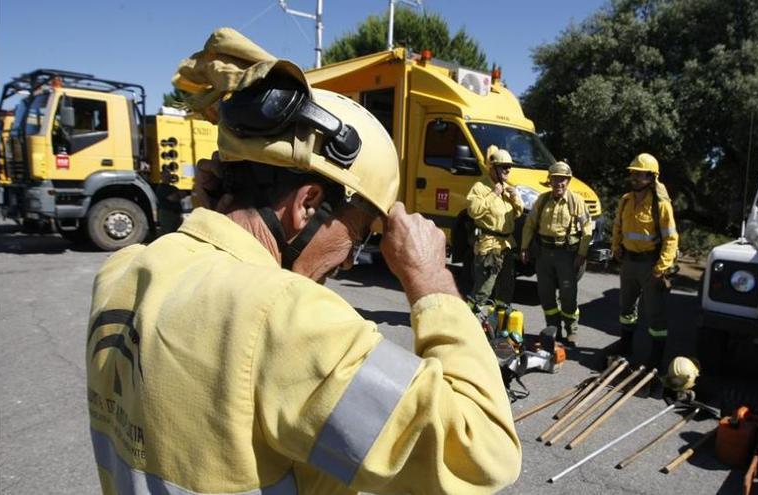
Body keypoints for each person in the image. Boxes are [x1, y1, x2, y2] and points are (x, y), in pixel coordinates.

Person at [85, 28, 521, 495]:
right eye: (356, 236)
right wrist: (430, 278)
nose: (350, 262)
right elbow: (483, 454)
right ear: (309, 203)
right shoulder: (285, 317)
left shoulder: (126, 270)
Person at [607, 153, 678, 378]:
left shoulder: (661, 205)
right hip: (629, 262)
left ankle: (656, 356)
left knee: (655, 314)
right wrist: (616, 247)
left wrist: (661, 267)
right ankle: (626, 346)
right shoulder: (626, 200)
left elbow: (671, 238)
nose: (635, 177)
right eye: (633, 173)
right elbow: (618, 225)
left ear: (651, 177)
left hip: (651, 264)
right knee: (626, 308)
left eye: (640, 174)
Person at [520, 161, 593, 345]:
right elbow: (529, 225)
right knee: (545, 294)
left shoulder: (576, 202)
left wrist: (582, 254)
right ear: (550, 181)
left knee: (568, 295)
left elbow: (587, 229)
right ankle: (553, 329)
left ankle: (571, 330)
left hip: (567, 256)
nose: (559, 183)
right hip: (544, 254)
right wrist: (524, 247)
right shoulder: (542, 200)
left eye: (563, 179)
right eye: (555, 179)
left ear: (568, 181)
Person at [465, 146, 524, 310]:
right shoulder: (480, 187)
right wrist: (494, 194)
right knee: (484, 288)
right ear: (493, 168)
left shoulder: (507, 187)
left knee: (506, 288)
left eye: (509, 167)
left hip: (506, 245)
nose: (508, 170)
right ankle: (469, 319)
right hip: (489, 245)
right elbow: (474, 211)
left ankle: (498, 321)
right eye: (504, 166)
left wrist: (515, 198)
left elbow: (518, 213)